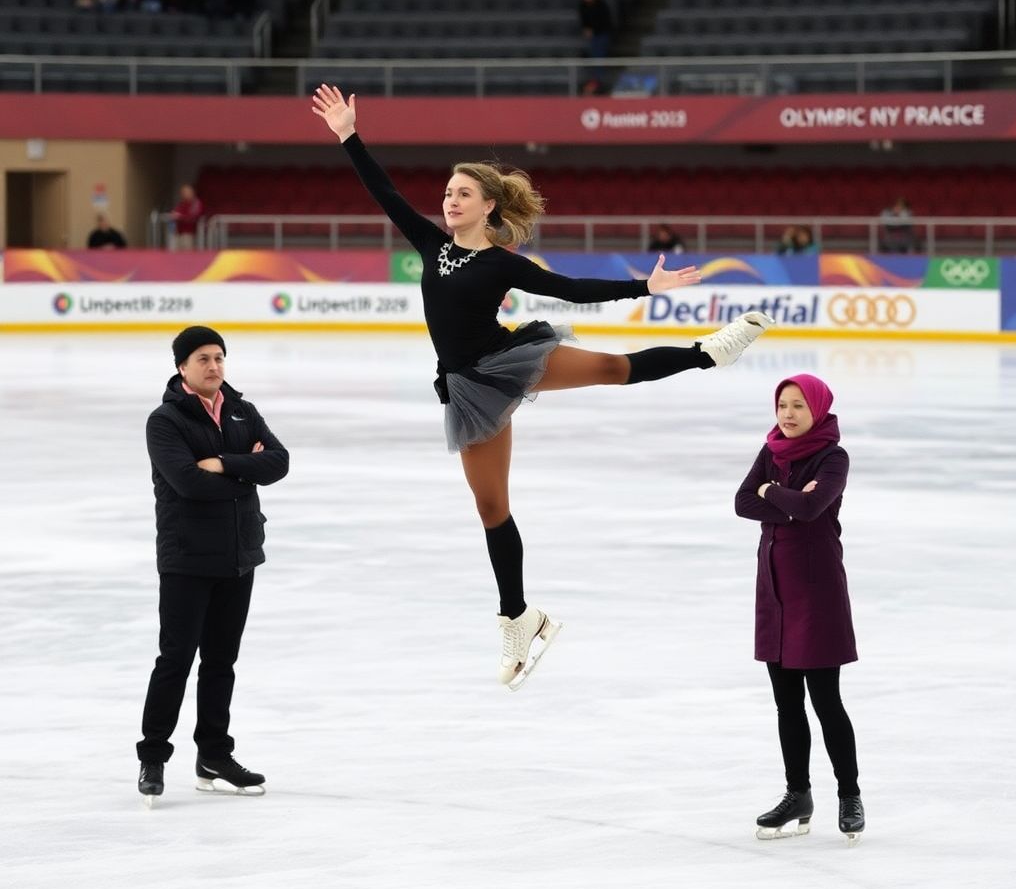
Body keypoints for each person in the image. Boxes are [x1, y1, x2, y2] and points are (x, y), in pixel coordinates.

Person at [312, 84, 773, 690]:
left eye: (463, 193)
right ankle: (520, 617)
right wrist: (349, 135)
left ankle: (708, 353)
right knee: (490, 508)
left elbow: (574, 289)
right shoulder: (430, 242)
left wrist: (645, 289)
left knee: (611, 368)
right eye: (448, 192)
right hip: (468, 388)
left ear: (487, 206)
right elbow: (384, 192)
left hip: (508, 359)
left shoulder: (501, 262)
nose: (450, 201)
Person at [137, 326, 289, 804]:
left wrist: (223, 462)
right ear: (182, 366)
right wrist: (247, 467)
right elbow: (187, 483)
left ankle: (213, 755)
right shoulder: (165, 421)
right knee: (176, 660)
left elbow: (280, 462)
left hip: (238, 556)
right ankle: (154, 757)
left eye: (219, 357)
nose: (214, 366)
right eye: (202, 358)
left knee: (221, 662)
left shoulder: (243, 410)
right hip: (186, 558)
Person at [734, 374, 864, 844]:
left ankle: (849, 795)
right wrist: (781, 497)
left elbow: (811, 512)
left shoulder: (832, 457)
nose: (787, 415)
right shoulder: (770, 451)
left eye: (797, 407)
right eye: (782, 406)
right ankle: (798, 795)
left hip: (817, 589)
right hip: (774, 589)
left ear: (818, 410)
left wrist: (772, 493)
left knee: (825, 699)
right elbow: (741, 501)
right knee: (786, 701)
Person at [578, 0, 612, 95]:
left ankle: (599, 84)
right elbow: (584, 21)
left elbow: (606, 21)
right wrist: (587, 29)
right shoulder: (582, 6)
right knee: (591, 59)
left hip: (601, 34)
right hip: (591, 37)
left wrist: (594, 30)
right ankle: (591, 83)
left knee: (599, 58)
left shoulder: (601, 5)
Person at [170, 183, 203, 250]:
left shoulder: (196, 203)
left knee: (187, 254)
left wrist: (180, 217)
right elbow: (175, 212)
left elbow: (193, 217)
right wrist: (174, 215)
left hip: (189, 233)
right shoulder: (182, 203)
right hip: (178, 232)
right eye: (183, 192)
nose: (185, 194)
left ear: (192, 192)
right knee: (176, 254)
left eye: (187, 191)